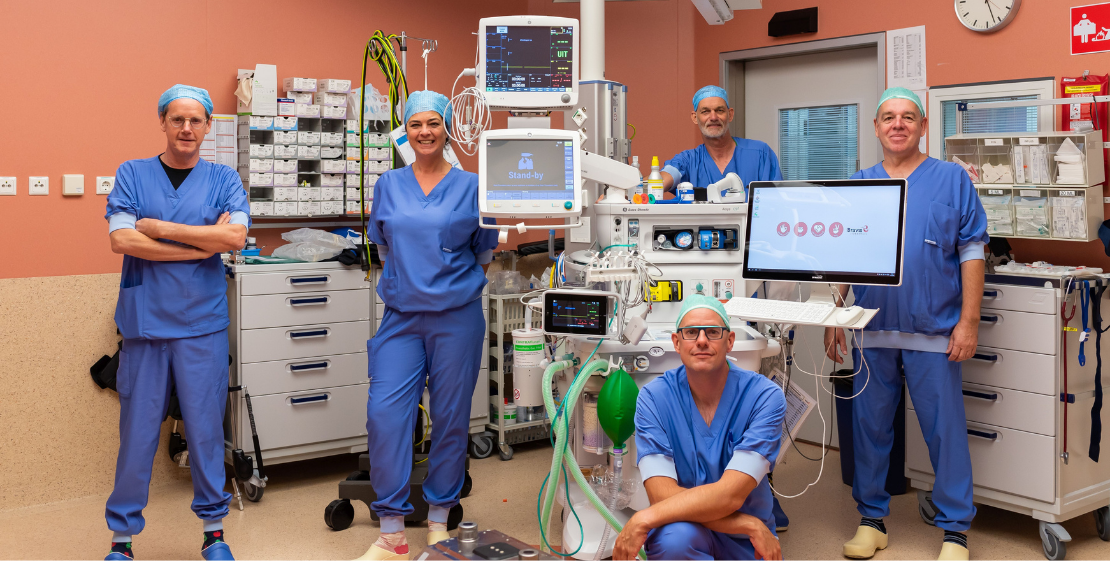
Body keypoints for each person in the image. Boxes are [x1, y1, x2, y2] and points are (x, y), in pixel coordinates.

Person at [824, 87, 987, 561]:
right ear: (876, 127)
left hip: (934, 328)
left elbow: (972, 249)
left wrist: (969, 321)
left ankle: (955, 531)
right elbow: (846, 254)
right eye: (889, 117)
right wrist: (835, 314)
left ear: (922, 126)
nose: (898, 124)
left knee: (944, 431)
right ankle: (872, 520)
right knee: (869, 428)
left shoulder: (952, 179)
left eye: (908, 117)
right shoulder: (860, 183)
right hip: (872, 326)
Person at [103, 84, 250, 561]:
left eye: (196, 120)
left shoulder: (224, 178)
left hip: (201, 325)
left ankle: (213, 532)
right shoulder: (133, 173)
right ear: (162, 122)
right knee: (137, 435)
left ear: (208, 126)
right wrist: (200, 246)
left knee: (206, 430)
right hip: (145, 327)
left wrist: (160, 229)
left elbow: (235, 238)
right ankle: (122, 540)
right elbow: (122, 240)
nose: (186, 128)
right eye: (177, 119)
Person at [360, 90, 499, 560]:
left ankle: (439, 520)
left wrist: (448, 283)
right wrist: (412, 281)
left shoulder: (473, 185)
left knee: (451, 417)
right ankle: (392, 532)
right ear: (406, 129)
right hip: (401, 317)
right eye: (416, 124)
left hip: (456, 317)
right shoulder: (388, 184)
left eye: (433, 123)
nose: (425, 132)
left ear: (447, 128)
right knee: (384, 415)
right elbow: (384, 246)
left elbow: (484, 251)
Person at [612, 295, 786, 561]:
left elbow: (730, 496)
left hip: (749, 543)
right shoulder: (654, 399)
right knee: (674, 541)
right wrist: (745, 523)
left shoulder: (763, 397)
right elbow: (660, 495)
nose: (702, 340)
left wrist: (643, 518)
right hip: (692, 530)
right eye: (691, 332)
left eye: (713, 332)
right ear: (676, 342)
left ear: (730, 341)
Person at [660, 85, 782, 194]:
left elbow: (778, 202)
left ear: (730, 114)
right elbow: (661, 180)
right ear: (695, 117)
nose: (713, 117)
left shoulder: (760, 154)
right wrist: (654, 185)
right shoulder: (688, 161)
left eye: (719, 110)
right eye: (705, 111)